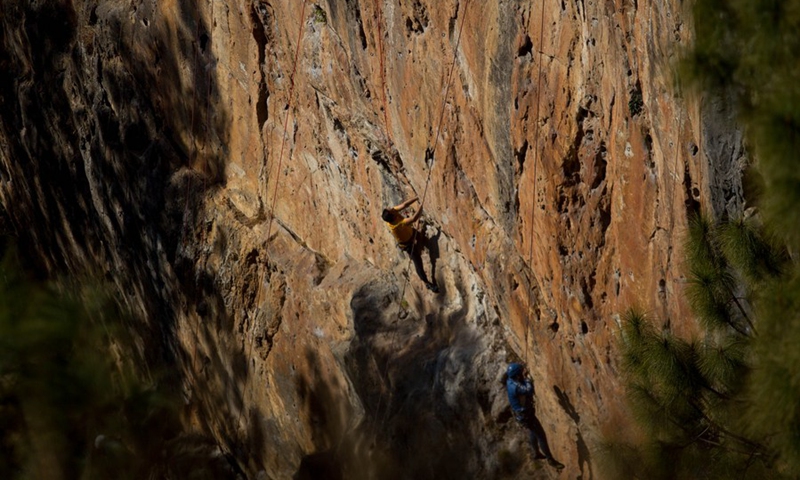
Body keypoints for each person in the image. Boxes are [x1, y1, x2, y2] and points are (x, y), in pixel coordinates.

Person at [506, 363, 564, 470]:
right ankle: (550, 459)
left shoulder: (510, 381)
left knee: (533, 432)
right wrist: (527, 378)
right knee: (541, 436)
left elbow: (520, 384)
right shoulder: (516, 388)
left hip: (523, 415)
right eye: (520, 372)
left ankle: (536, 453)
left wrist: (522, 376)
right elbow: (529, 390)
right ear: (517, 375)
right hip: (526, 416)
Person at [382, 197, 439, 293]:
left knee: (420, 237)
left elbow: (404, 205)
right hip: (407, 244)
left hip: (411, 233)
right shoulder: (397, 225)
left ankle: (420, 244)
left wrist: (417, 197)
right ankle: (427, 283)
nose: (390, 207)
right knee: (418, 263)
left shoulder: (392, 213)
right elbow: (414, 218)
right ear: (391, 214)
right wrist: (421, 207)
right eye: (389, 209)